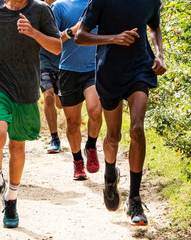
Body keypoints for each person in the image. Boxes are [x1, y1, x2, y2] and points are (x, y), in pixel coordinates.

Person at [0, 0, 61, 228]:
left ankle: (11, 198)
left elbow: (57, 46)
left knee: (17, 146)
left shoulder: (40, 10)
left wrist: (34, 32)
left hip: (26, 87)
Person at [76, 0, 167, 226]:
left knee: (137, 129)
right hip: (109, 71)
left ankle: (134, 199)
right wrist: (113, 38)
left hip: (140, 68)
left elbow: (154, 26)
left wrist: (159, 54)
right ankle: (109, 175)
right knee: (114, 135)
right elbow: (80, 36)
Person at [51, 0, 102, 180]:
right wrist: (73, 30)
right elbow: (52, 40)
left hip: (94, 69)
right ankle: (77, 162)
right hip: (68, 71)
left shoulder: (97, 4)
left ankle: (91, 146)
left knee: (95, 111)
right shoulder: (59, 7)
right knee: (72, 122)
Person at [40, 0, 62, 154]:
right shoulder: (38, 9)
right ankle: (54, 137)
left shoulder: (65, 7)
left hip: (64, 61)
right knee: (48, 96)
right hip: (43, 60)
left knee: (61, 104)